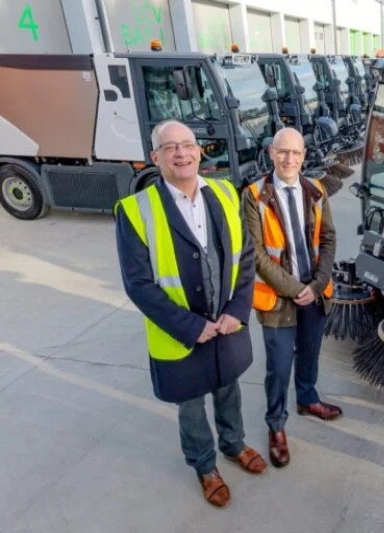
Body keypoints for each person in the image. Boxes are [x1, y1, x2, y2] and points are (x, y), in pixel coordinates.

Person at [115, 120, 266, 508]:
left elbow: (244, 256)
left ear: (200, 151)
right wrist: (190, 326)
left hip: (226, 321)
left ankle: (234, 444)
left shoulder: (225, 192)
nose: (180, 153)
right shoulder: (135, 210)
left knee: (229, 387)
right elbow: (139, 284)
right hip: (180, 333)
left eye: (187, 145)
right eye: (170, 147)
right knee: (192, 403)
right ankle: (205, 465)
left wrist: (237, 309)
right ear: (155, 157)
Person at [243, 127, 339, 469]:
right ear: (271, 153)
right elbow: (256, 255)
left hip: (314, 292)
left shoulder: (316, 190)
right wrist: (295, 288)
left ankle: (308, 399)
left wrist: (316, 284)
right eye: (283, 152)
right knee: (279, 366)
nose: (289, 159)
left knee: (310, 354)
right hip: (279, 298)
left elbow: (327, 239)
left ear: (303, 156)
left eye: (296, 153)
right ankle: (276, 424)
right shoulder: (254, 196)